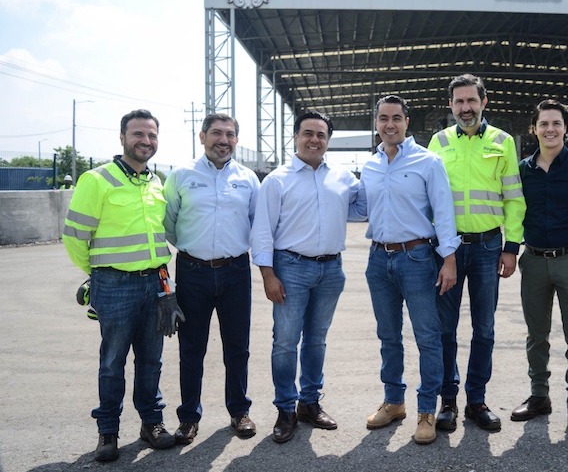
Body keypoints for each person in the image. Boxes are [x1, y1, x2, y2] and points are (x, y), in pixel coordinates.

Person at [62, 109, 175, 462]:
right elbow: (74, 237)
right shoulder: (97, 180)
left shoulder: (156, 182)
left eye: (152, 135)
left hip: (156, 283)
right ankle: (107, 432)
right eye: (138, 134)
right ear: (122, 137)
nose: (146, 141)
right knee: (112, 362)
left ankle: (151, 423)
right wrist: (99, 274)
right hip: (114, 284)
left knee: (151, 360)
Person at [251, 111, 366, 444]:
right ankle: (285, 408)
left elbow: (360, 208)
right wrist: (268, 274)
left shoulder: (343, 177)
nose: (314, 139)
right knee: (286, 342)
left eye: (321, 135)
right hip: (291, 267)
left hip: (331, 269)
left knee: (317, 339)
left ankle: (310, 403)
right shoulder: (277, 180)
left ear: (328, 140)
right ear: (296, 137)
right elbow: (262, 231)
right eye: (308, 133)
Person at [427, 74, 526, 433]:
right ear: (451, 105)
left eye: (471, 101)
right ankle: (448, 401)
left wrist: (511, 247)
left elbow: (514, 198)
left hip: (487, 247)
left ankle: (477, 400)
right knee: (444, 330)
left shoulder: (503, 142)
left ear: (484, 102)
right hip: (448, 249)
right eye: (459, 102)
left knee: (484, 327)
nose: (465, 108)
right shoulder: (438, 143)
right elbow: (429, 199)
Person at [359, 95, 460, 445]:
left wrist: (449, 259)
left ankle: (426, 411)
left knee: (428, 338)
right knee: (388, 336)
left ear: (407, 122)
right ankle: (394, 402)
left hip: (417, 257)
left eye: (396, 118)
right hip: (377, 259)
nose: (390, 124)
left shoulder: (427, 161)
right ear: (376, 123)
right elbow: (358, 207)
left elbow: (444, 212)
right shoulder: (370, 165)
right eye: (383, 118)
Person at [163, 113, 261, 445]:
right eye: (216, 133)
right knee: (191, 348)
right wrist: (195, 251)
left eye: (230, 134)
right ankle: (189, 417)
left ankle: (239, 411)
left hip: (236, 272)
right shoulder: (181, 176)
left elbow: (255, 222)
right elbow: (169, 223)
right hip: (192, 273)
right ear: (202, 136)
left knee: (238, 347)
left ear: (236, 139)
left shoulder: (248, 178)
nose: (223, 140)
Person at [511, 99, 568, 439]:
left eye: (556, 123)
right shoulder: (522, 170)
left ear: (566, 127)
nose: (550, 129)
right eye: (544, 123)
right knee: (537, 335)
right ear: (533, 128)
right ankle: (539, 397)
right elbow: (512, 211)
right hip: (534, 260)